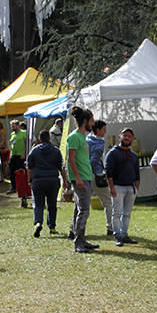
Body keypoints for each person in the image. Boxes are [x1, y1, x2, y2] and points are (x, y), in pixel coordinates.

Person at [66, 105, 99, 253]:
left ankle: (80, 238)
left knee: (78, 209)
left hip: (86, 177)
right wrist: (77, 178)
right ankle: (78, 242)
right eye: (91, 121)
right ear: (85, 121)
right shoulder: (74, 137)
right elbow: (70, 159)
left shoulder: (82, 137)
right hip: (80, 179)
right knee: (84, 210)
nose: (93, 124)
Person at [26, 129, 68, 236]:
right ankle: (52, 227)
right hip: (53, 180)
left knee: (38, 204)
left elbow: (29, 167)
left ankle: (38, 222)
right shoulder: (56, 150)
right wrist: (65, 181)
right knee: (52, 204)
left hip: (38, 180)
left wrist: (29, 179)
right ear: (49, 138)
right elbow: (62, 167)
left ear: (40, 139)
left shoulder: (34, 151)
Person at [105, 128, 140, 246]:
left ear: (132, 139)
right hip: (117, 187)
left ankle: (124, 234)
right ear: (119, 137)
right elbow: (108, 172)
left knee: (127, 213)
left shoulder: (134, 156)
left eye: (129, 136)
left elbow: (137, 174)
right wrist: (111, 187)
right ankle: (117, 235)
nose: (127, 138)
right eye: (125, 135)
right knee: (117, 213)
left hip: (131, 188)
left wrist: (136, 189)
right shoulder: (112, 153)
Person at [86, 120, 113, 236]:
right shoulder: (99, 142)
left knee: (82, 203)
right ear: (98, 130)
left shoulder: (87, 139)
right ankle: (110, 227)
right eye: (103, 129)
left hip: (85, 175)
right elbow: (94, 159)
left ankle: (74, 228)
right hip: (96, 175)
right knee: (108, 202)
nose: (105, 131)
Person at [7, 119, 27, 194]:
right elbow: (11, 144)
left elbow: (27, 144)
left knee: (21, 172)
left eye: (13, 126)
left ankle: (22, 187)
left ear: (18, 125)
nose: (12, 127)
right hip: (13, 155)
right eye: (11, 126)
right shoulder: (12, 134)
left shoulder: (24, 133)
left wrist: (24, 154)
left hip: (20, 155)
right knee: (11, 172)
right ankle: (13, 187)